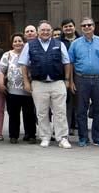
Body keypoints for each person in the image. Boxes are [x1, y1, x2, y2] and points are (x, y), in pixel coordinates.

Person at [18, 21, 73, 149]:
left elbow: (67, 63)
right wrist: (26, 82)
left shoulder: (59, 44)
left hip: (57, 82)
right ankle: (45, 137)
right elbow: (23, 64)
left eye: (48, 30)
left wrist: (67, 80)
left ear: (52, 31)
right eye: (43, 30)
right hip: (38, 83)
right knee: (41, 112)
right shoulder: (29, 45)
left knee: (60, 112)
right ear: (38, 31)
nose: (45, 32)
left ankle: (62, 138)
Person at [67, 17, 99, 148]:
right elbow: (70, 63)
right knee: (81, 110)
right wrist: (71, 81)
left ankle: (98, 138)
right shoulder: (75, 44)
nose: (87, 27)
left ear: (94, 26)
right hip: (81, 79)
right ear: (81, 28)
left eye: (89, 25)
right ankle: (83, 138)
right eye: (84, 26)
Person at [0, 33, 37, 144]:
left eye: (20, 41)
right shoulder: (7, 55)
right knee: (13, 114)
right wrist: (1, 83)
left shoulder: (29, 54)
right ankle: (13, 135)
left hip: (28, 90)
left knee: (29, 114)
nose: (17, 43)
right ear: (12, 44)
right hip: (12, 90)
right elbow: (1, 70)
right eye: (15, 41)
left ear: (24, 42)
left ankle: (30, 135)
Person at [60, 18, 78, 133]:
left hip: (80, 75)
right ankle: (67, 127)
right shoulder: (59, 42)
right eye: (65, 26)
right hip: (64, 76)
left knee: (79, 102)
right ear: (62, 29)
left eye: (70, 26)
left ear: (74, 27)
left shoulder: (81, 40)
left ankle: (77, 125)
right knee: (67, 102)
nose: (68, 28)